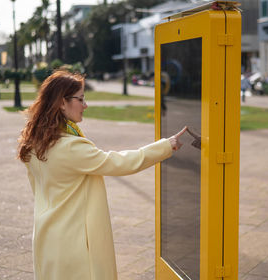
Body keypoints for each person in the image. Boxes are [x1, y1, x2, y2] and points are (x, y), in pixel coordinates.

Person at [17, 70, 187, 280]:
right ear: (62, 103)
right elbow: (119, 162)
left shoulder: (33, 144)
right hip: (75, 243)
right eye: (80, 99)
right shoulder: (70, 146)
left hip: (46, 236)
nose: (85, 105)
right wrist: (166, 146)